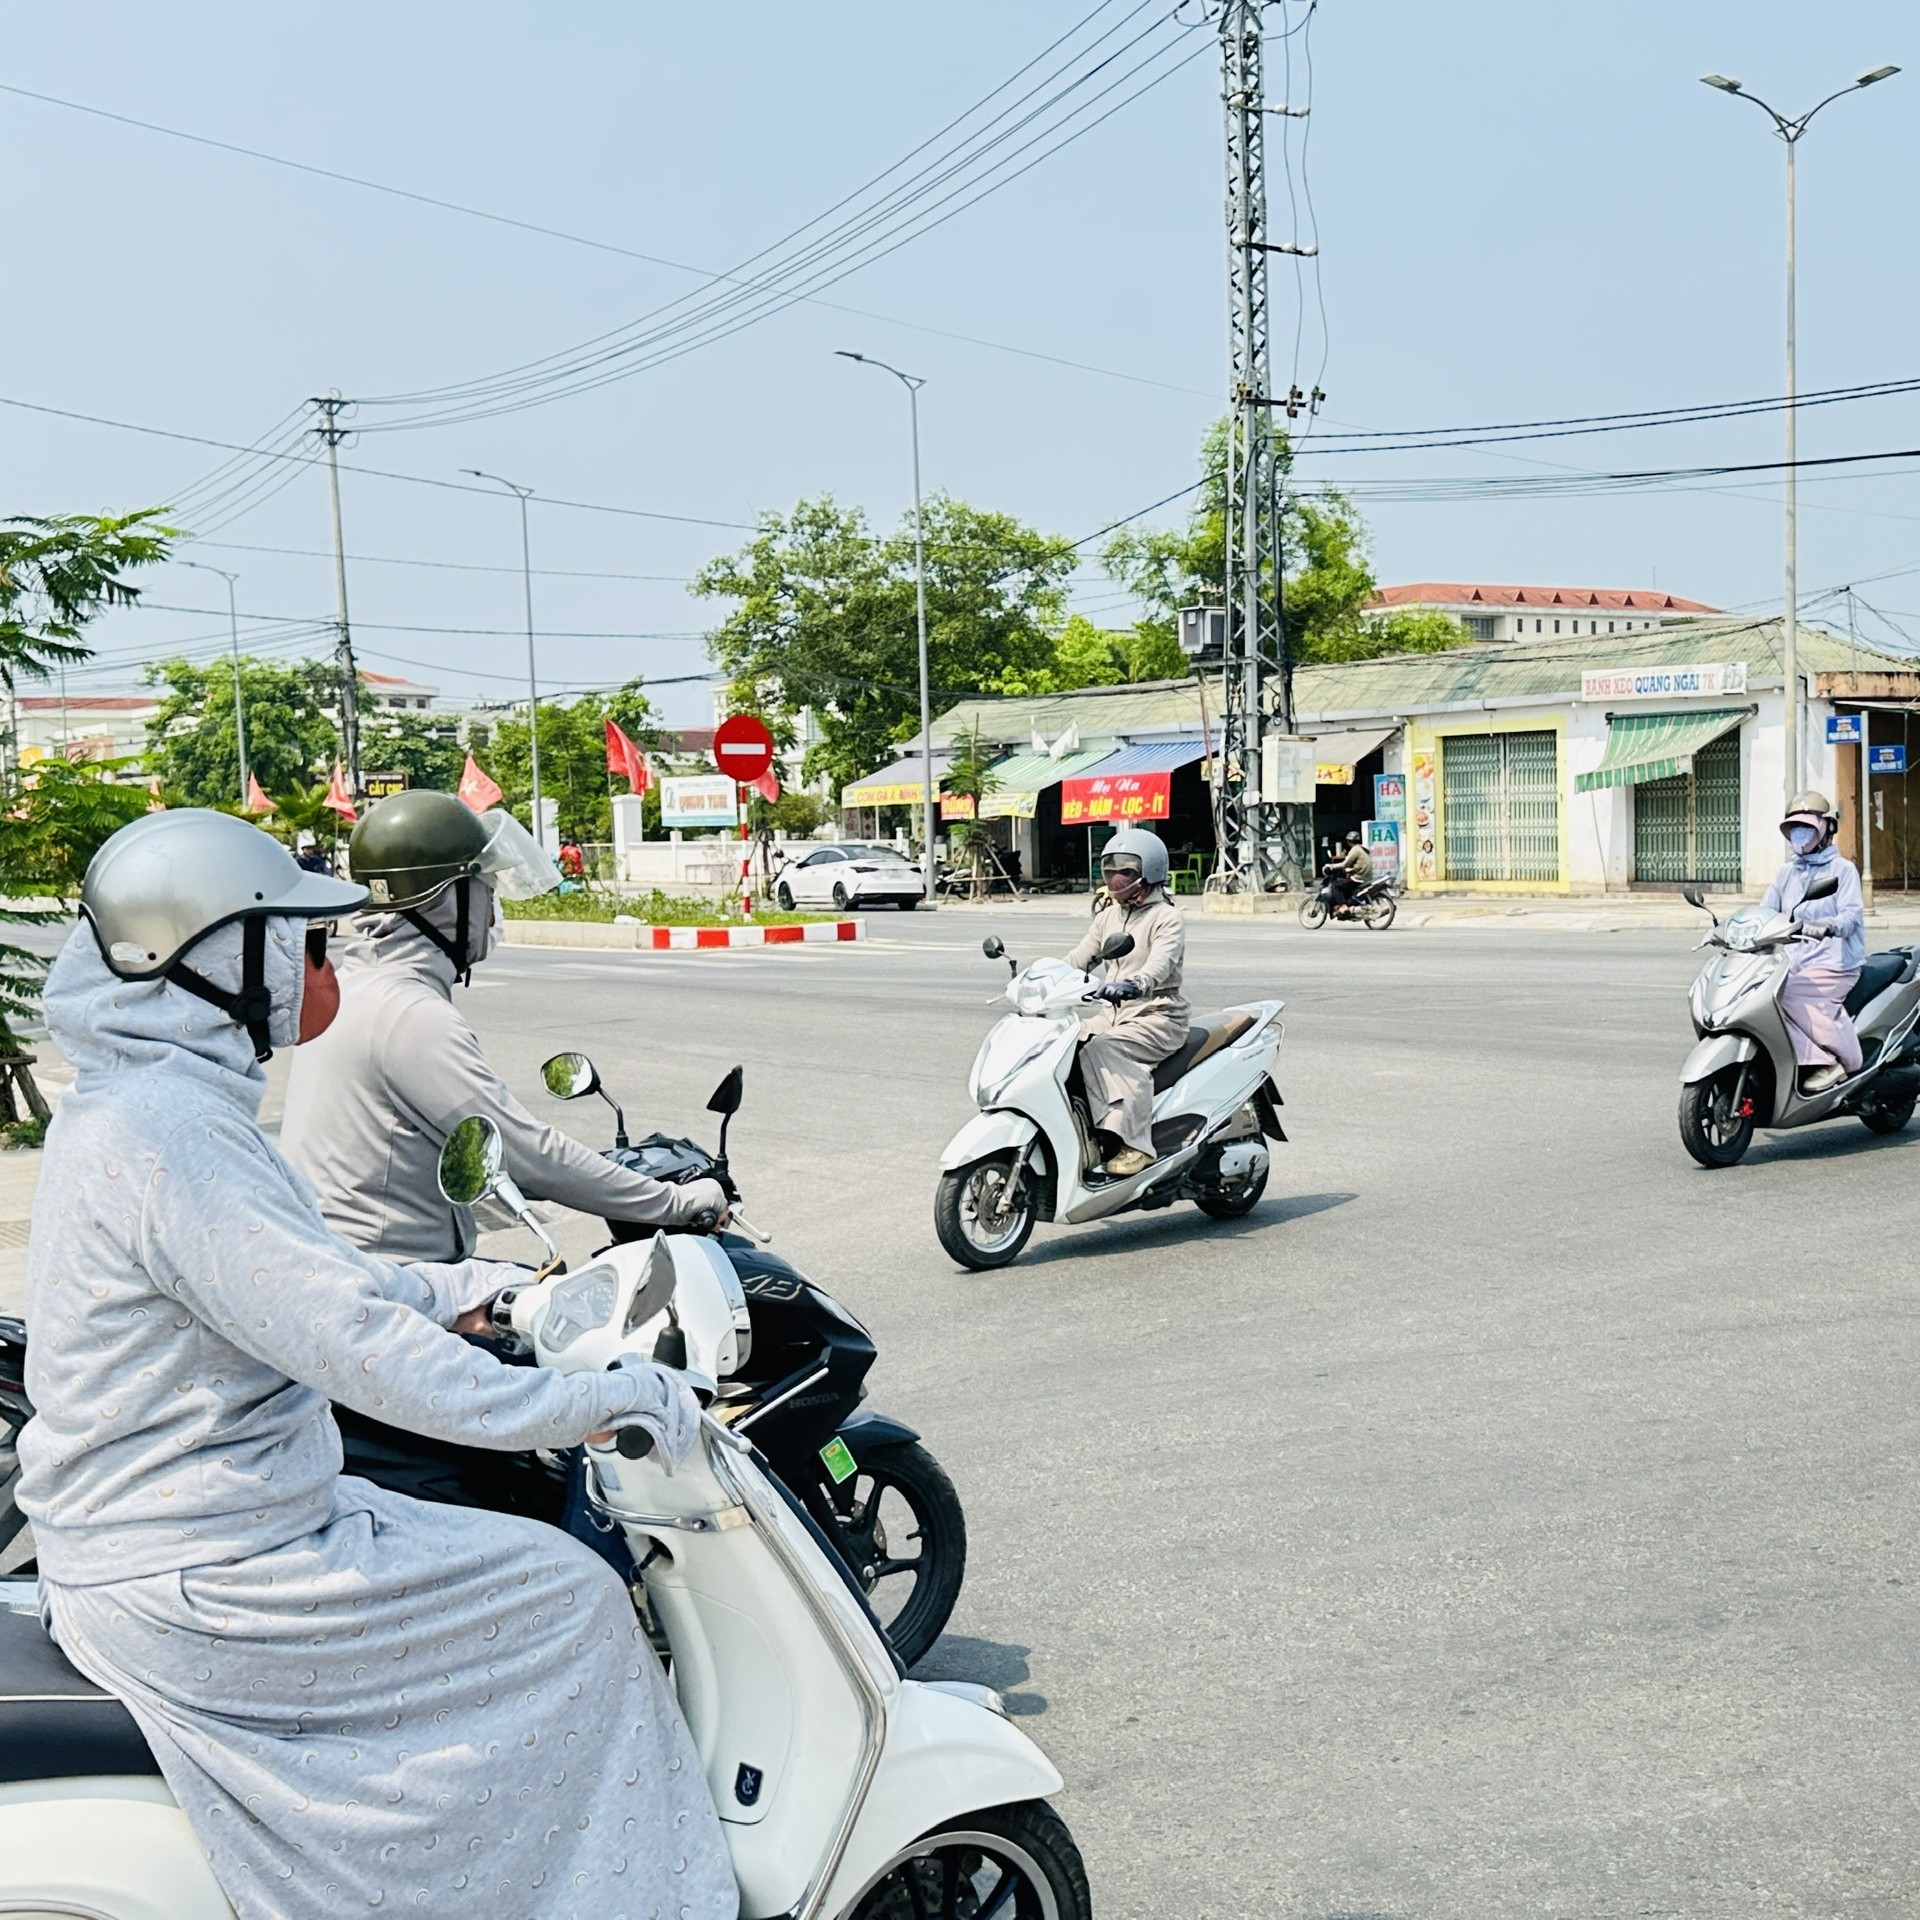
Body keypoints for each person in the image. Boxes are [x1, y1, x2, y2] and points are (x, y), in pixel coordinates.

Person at [16, 809, 737, 1920]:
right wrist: (591, 1401)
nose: (325, 968)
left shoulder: (139, 1101)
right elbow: (356, 1343)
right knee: (576, 1597)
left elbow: (307, 1278)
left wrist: (472, 1289)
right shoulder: (174, 1130)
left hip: (214, 1530)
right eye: (304, 946)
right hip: (213, 1571)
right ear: (221, 959)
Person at [283, 789, 729, 1264]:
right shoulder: (410, 1016)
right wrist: (676, 1203)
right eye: (486, 894)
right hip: (397, 1276)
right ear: (448, 900)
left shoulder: (356, 985)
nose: (492, 914)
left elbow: (491, 1155)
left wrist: (598, 1170)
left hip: (347, 1260)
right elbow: (526, 1154)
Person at [1065, 826, 1190, 1179]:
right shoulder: (1108, 917)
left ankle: (1136, 1145)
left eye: (1126, 870)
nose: (1116, 878)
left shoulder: (1166, 917)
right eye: (1111, 870)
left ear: (1148, 872)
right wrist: (1041, 978)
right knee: (1064, 1042)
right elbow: (1079, 958)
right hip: (1112, 1014)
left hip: (1157, 1015)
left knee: (1105, 1048)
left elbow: (1160, 964)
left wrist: (1135, 984)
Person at [1761, 790, 1865, 1095]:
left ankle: (1833, 1062)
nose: (1800, 833)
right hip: (1793, 962)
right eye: (1795, 827)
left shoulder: (1842, 870)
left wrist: (1828, 926)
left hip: (1834, 963)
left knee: (1786, 998)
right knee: (1763, 999)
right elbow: (1765, 910)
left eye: (1807, 826)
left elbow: (1851, 915)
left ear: (1827, 829)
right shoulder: (1786, 872)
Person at [1327, 829, 1373, 911]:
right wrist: (1352, 870)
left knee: (1336, 884)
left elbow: (1344, 864)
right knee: (1345, 883)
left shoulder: (1355, 850)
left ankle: (1343, 905)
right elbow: (1359, 864)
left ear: (1349, 841)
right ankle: (1349, 902)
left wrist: (1331, 866)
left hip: (1359, 878)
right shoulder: (1361, 848)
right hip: (1366, 876)